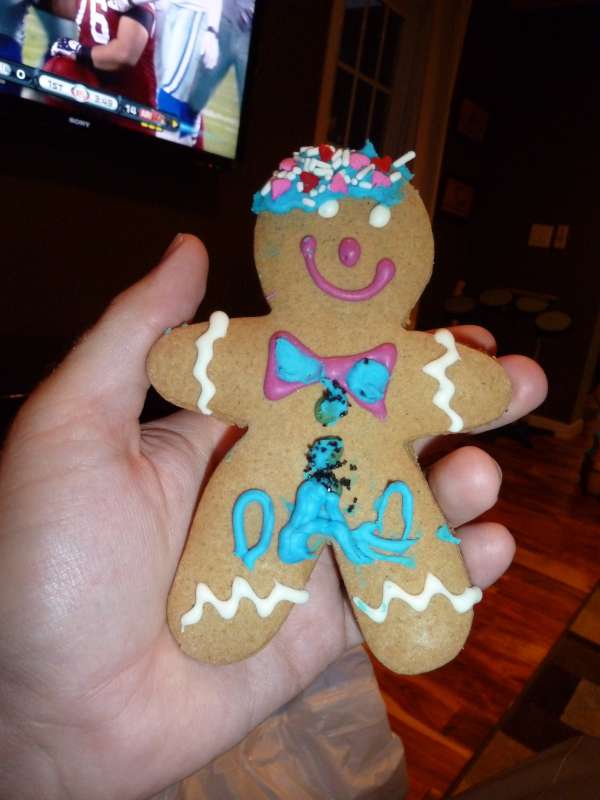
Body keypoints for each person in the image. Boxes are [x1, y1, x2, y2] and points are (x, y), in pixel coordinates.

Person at [0, 234, 548, 800]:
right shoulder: (255, 350)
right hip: (261, 487)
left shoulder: (414, 366)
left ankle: (411, 601)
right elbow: (184, 362)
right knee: (239, 572)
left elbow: (481, 386)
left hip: (379, 482)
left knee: (402, 576)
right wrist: (30, 721)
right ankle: (231, 602)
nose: (349, 253)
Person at [46, 0, 156, 107]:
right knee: (56, 72)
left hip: (129, 101)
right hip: (95, 83)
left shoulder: (140, 5)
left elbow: (124, 55)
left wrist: (79, 51)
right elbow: (63, 7)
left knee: (60, 70)